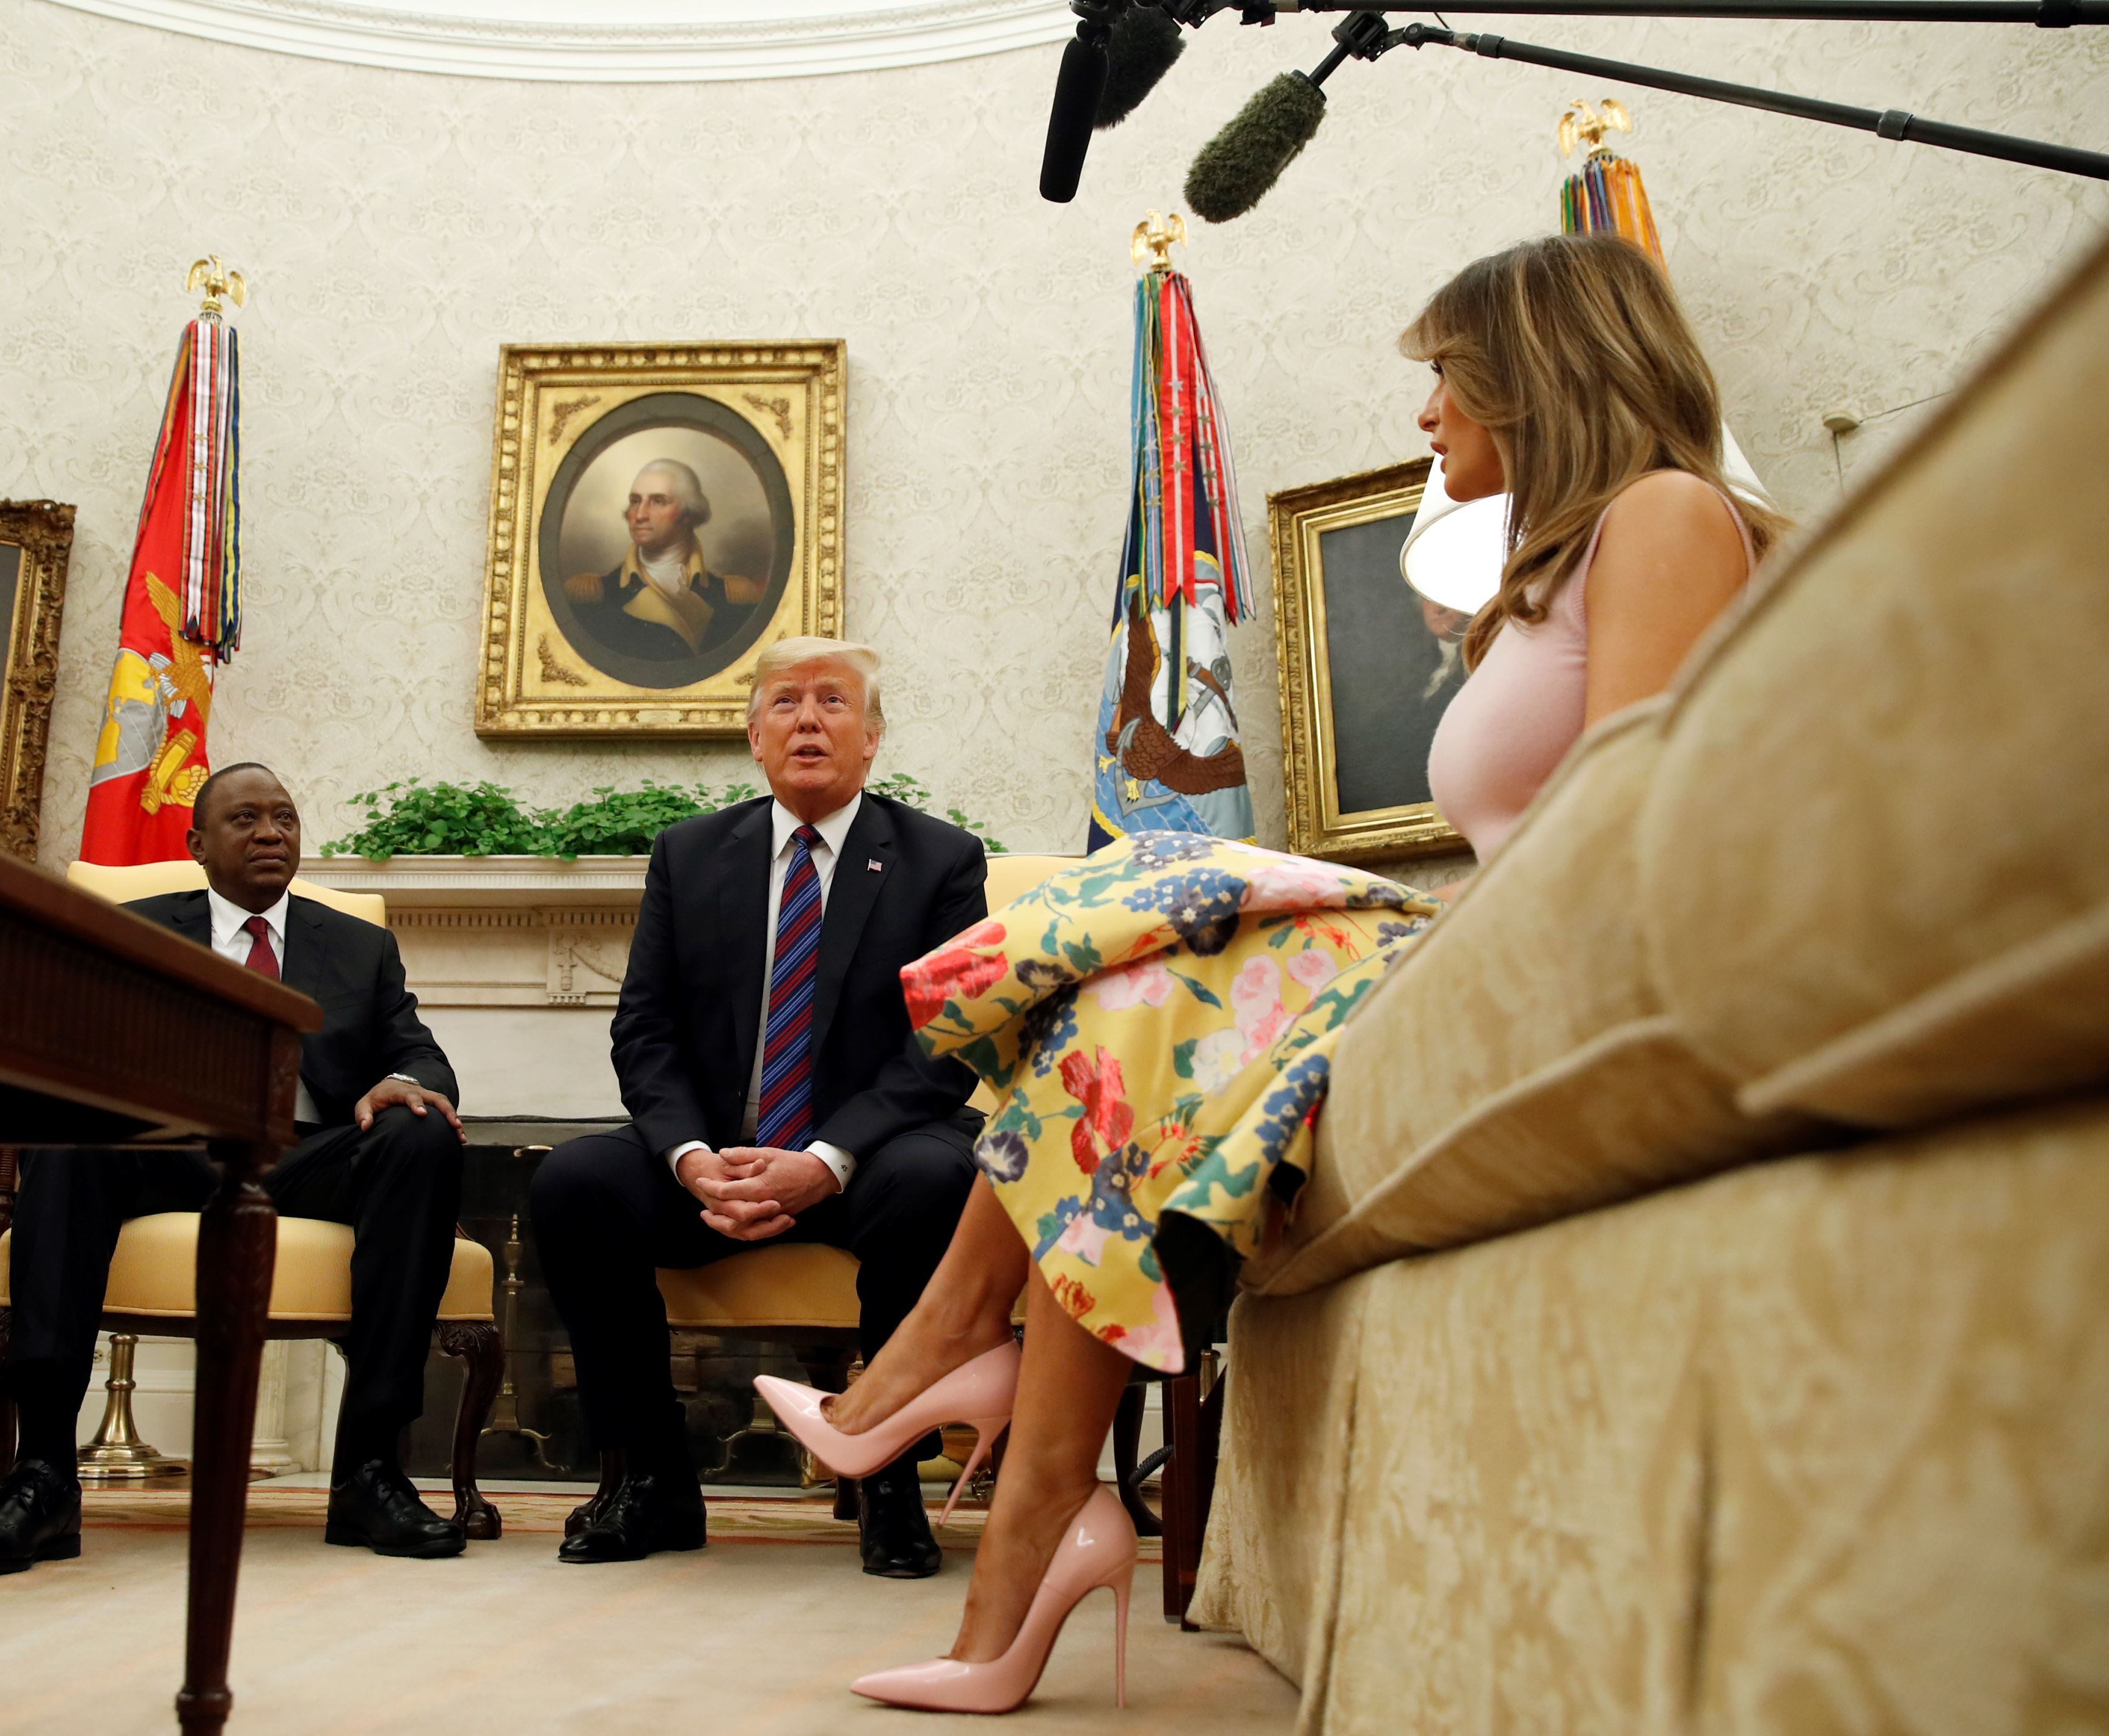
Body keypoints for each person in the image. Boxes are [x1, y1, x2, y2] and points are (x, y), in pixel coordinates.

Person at [762, 232, 1788, 1712]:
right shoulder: (1574, 554)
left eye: (1445, 374)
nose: (1427, 412)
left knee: (1153, 917)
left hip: (1547, 971)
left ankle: (960, 1413)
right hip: (1496, 957)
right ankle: (1005, 1487)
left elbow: (1629, 826)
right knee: (1124, 985)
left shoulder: (1672, 514)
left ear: (1534, 368)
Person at [0, 762, 471, 1577]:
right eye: (245, 819)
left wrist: (410, 1083)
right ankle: (41, 1476)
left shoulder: (357, 947)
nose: (269, 833)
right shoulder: (137, 930)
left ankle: (369, 1472)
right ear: (197, 843)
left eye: (283, 818)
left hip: (303, 1154)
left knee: (419, 1136)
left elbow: (416, 1052)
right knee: (72, 1133)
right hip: (168, 1149)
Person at [530, 635, 987, 1575]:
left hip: (867, 1161)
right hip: (718, 1160)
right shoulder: (690, 855)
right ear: (753, 736)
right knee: (576, 1181)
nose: (807, 719)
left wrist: (822, 1162)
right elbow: (644, 1031)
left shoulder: (939, 859)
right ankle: (650, 1477)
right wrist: (690, 1158)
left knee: (936, 1176)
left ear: (871, 738)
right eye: (784, 702)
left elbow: (944, 1047)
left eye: (831, 701)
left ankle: (890, 1481)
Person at [561, 458, 762, 664]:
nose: (640, 515)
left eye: (658, 501)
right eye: (635, 501)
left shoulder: (734, 597)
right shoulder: (593, 595)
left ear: (688, 514)